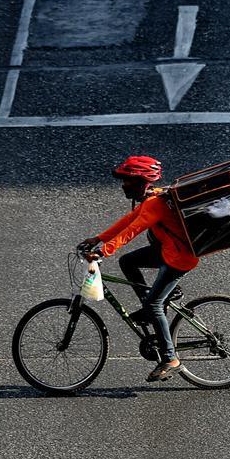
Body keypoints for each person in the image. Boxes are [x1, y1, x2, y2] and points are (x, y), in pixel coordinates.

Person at [79, 155, 199, 382]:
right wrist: (97, 239)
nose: (124, 185)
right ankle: (152, 305)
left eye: (128, 181)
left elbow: (131, 232)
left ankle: (170, 359)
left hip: (179, 258)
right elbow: (128, 221)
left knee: (154, 304)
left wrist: (103, 251)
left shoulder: (154, 203)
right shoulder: (151, 197)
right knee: (128, 262)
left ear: (141, 182)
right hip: (168, 250)